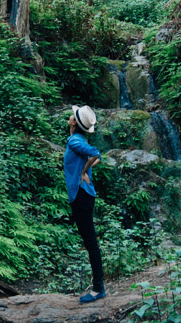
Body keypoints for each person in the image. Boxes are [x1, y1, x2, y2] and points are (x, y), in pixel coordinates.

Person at [64, 104, 105, 303]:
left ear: (74, 123)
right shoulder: (78, 139)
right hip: (83, 195)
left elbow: (96, 153)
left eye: (72, 116)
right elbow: (97, 156)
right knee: (90, 242)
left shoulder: (74, 141)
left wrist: (83, 172)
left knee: (90, 243)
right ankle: (98, 284)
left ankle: (98, 288)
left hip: (81, 196)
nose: (70, 117)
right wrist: (86, 169)